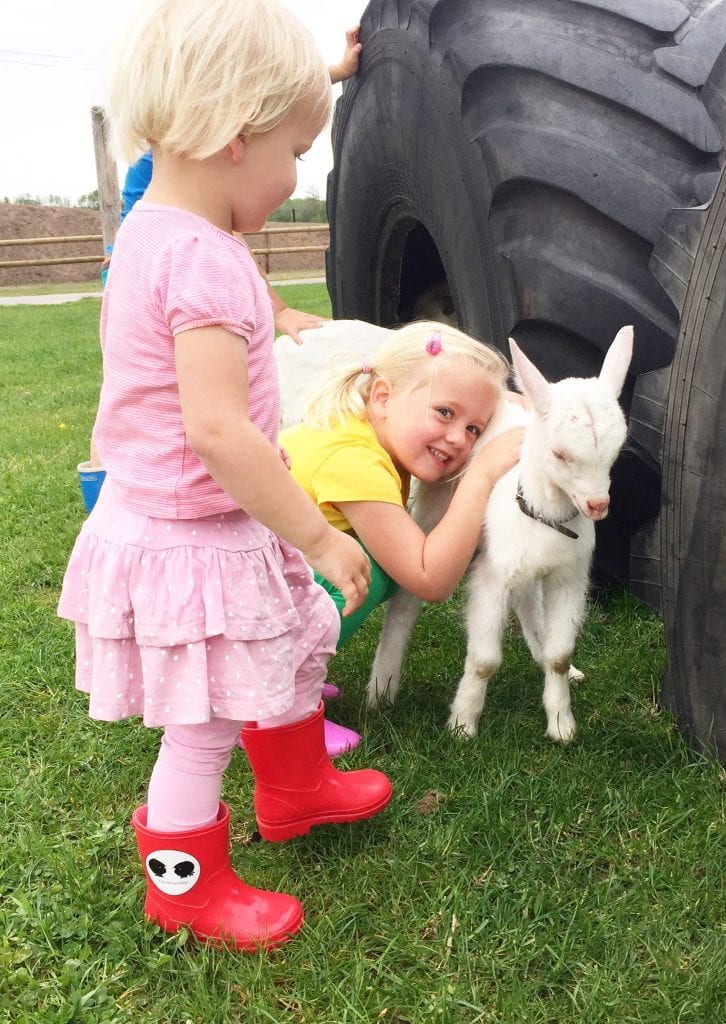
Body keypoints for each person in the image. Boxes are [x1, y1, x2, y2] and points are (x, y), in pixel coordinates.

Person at [58, 0, 392, 952]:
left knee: (284, 645)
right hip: (194, 529)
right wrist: (320, 533)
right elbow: (218, 431)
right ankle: (184, 886)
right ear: (236, 137)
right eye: (295, 152)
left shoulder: (151, 232)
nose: (296, 179)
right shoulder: (204, 264)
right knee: (202, 722)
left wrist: (317, 78)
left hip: (193, 519)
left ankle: (293, 791)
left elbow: (236, 114)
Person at [99, 25, 363, 346]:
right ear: (237, 134)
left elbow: (269, 91)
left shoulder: (171, 155)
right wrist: (278, 310)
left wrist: (340, 69)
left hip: (133, 266)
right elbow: (268, 93)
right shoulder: (200, 249)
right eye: (297, 154)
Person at [280, 321, 524, 652]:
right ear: (383, 397)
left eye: (474, 429)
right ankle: (278, 674)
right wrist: (480, 476)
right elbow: (429, 578)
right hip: (235, 589)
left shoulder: (363, 430)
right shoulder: (352, 461)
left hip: (246, 574)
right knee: (377, 567)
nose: (457, 438)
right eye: (444, 412)